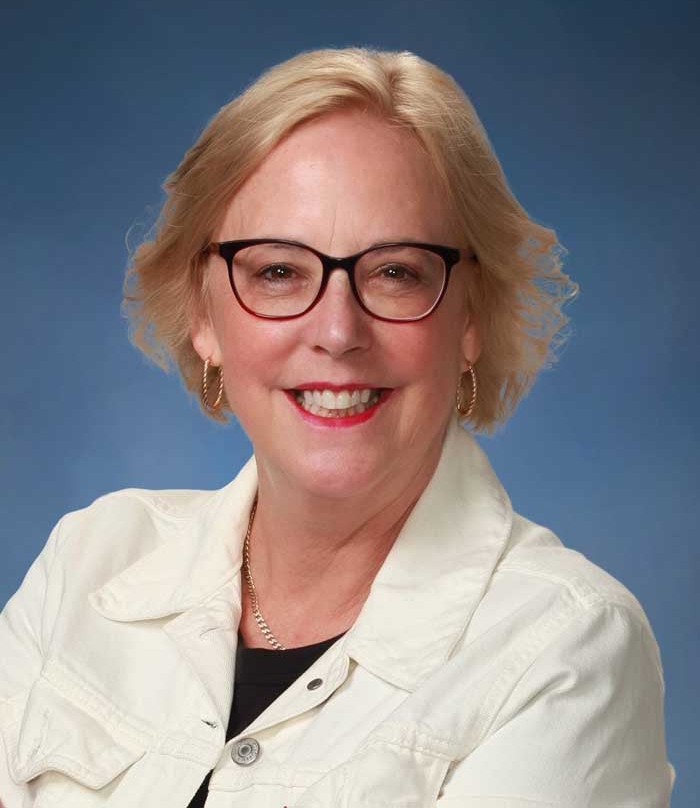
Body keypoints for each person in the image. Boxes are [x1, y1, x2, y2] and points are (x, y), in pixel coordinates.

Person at [0, 46, 674, 807]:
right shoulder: (87, 565)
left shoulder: (566, 649)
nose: (336, 329)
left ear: (472, 316)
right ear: (202, 314)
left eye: (396, 271)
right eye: (279, 270)